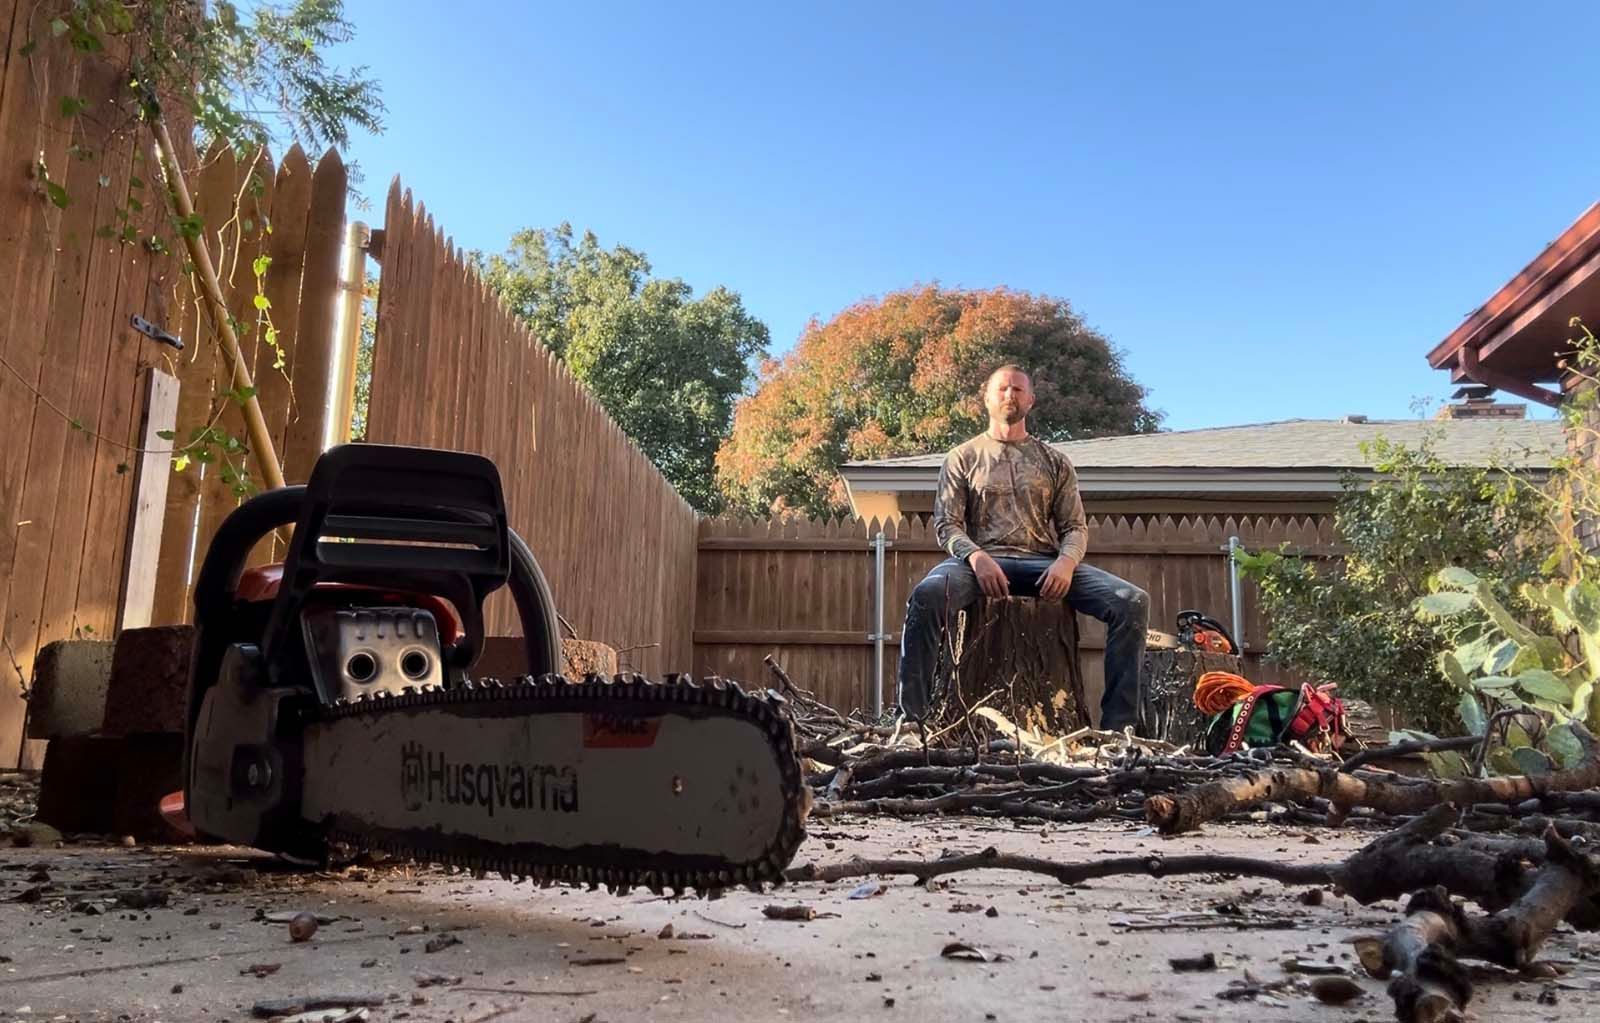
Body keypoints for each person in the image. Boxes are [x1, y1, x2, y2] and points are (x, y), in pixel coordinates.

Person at [896, 364, 1150, 731]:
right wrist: (977, 557)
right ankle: (912, 722)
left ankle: (1119, 728)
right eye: (1002, 388)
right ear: (986, 398)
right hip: (977, 565)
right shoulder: (962, 458)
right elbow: (946, 525)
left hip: (1041, 564)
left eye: (1017, 389)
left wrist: (1066, 562)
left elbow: (1075, 527)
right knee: (927, 595)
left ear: (1030, 400)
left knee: (1132, 602)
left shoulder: (1055, 461)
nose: (1009, 395)